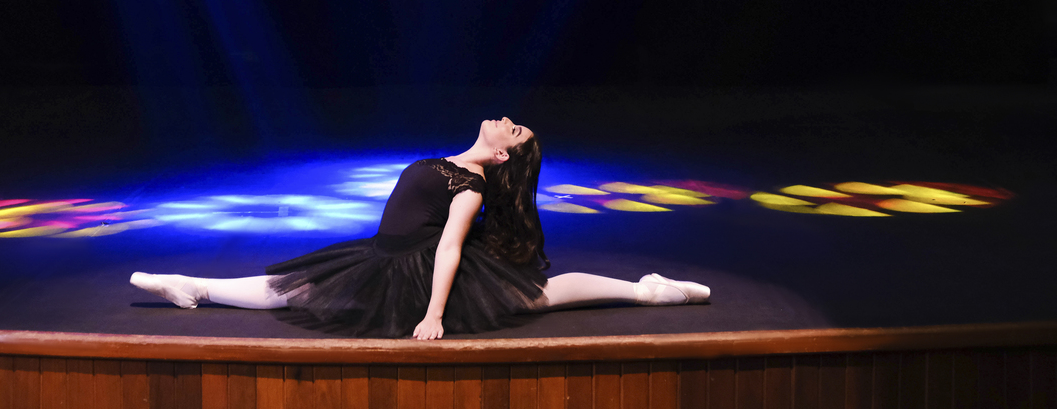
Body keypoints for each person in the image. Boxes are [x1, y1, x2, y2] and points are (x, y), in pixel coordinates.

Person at [130, 117, 710, 339]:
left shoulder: (471, 185)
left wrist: (434, 314)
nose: (507, 120)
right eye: (513, 123)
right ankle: (193, 285)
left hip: (415, 268)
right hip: (382, 253)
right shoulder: (454, 165)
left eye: (513, 132)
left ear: (502, 156)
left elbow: (451, 246)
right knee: (297, 287)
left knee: (543, 295)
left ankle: (648, 291)